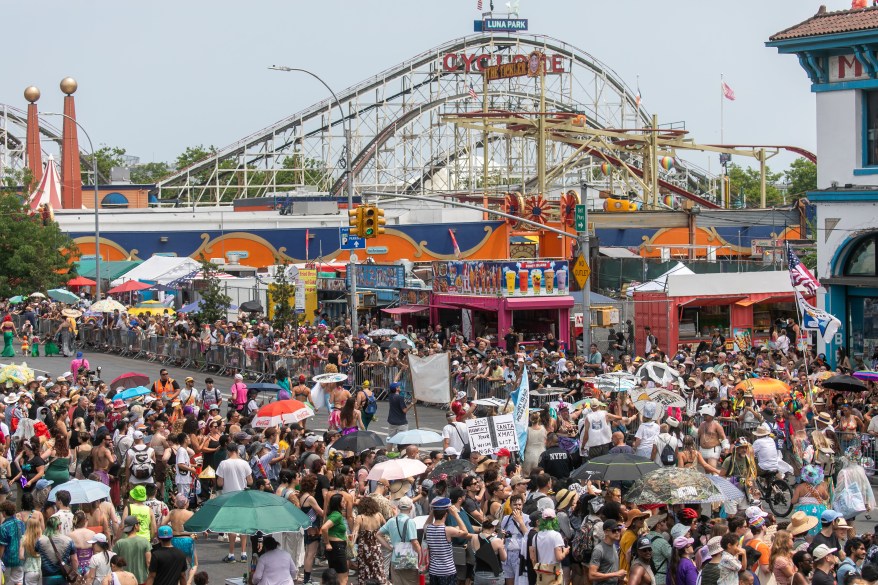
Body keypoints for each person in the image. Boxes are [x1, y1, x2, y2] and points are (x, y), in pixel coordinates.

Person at [216, 441, 252, 563]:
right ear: (237, 451)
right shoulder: (244, 463)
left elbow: (219, 483)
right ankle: (243, 554)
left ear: (228, 451)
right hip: (242, 496)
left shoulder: (223, 464)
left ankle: (231, 554)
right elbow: (250, 481)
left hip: (228, 497)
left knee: (231, 526)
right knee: (243, 525)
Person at [424, 497, 468, 585]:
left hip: (433, 571)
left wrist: (433, 512)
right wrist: (456, 515)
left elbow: (427, 523)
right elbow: (465, 532)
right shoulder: (447, 530)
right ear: (446, 514)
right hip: (447, 571)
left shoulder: (428, 528)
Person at [377, 496, 420, 585]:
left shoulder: (391, 521)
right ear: (411, 507)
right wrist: (421, 554)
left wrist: (389, 547)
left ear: (399, 507)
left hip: (395, 558)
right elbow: (414, 542)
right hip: (408, 558)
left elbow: (378, 535)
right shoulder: (410, 522)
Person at [351, 496, 385, 584]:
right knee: (377, 569)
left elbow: (354, 534)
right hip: (376, 547)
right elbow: (386, 528)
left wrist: (351, 546)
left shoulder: (360, 517)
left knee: (364, 570)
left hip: (364, 549)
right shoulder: (379, 515)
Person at [35, 516, 75, 585]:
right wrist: (73, 574)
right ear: (58, 526)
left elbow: (36, 554)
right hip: (63, 576)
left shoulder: (40, 541)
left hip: (47, 577)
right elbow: (75, 560)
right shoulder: (69, 540)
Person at [792, 465, 830, 537]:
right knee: (817, 528)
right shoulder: (820, 487)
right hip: (818, 510)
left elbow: (793, 501)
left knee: (804, 529)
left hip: (804, 510)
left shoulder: (800, 487)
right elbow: (826, 497)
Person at [112, 517, 151, 585]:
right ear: (135, 526)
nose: (139, 525)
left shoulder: (119, 543)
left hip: (125, 580)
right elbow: (148, 562)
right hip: (142, 579)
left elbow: (114, 562)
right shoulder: (145, 541)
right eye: (139, 523)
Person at [320, 494, 350, 585]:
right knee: (343, 578)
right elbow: (324, 528)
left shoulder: (333, 514)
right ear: (338, 504)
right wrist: (327, 543)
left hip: (335, 547)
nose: (345, 503)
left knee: (334, 578)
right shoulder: (337, 515)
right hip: (337, 548)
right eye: (343, 501)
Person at [589, 519, 626, 585]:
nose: (617, 532)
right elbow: (592, 575)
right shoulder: (599, 550)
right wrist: (616, 574)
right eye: (614, 530)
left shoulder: (614, 546)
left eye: (619, 530)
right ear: (606, 532)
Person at [471, 517, 506, 585]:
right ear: (494, 527)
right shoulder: (497, 541)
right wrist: (502, 544)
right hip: (494, 576)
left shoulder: (474, 537)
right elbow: (503, 558)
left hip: (479, 574)